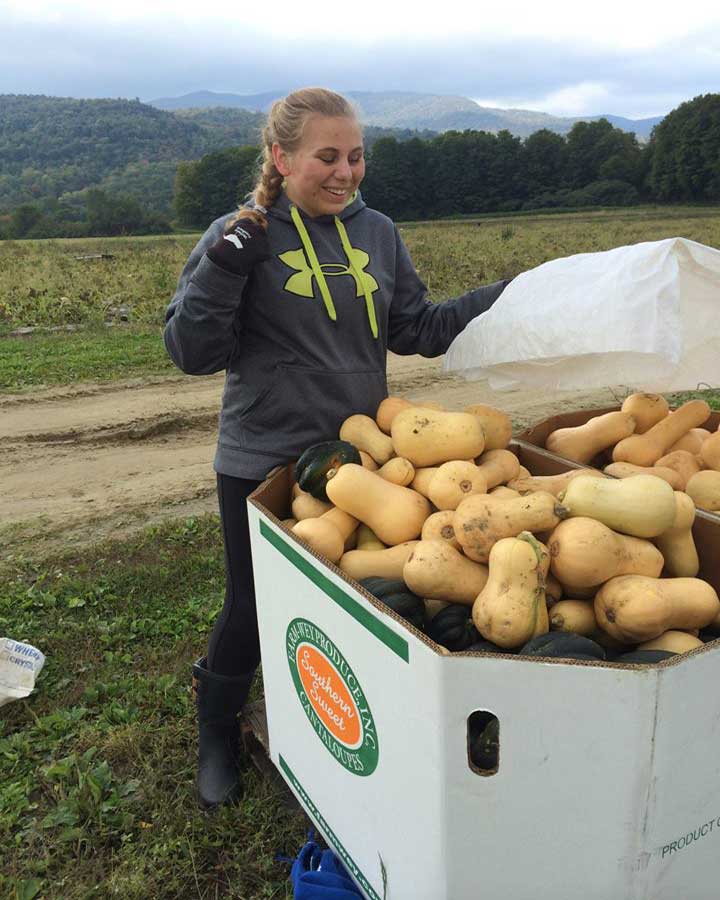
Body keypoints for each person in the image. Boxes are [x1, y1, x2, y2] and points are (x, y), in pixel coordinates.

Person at [163, 87, 510, 809]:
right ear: (281, 157)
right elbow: (190, 352)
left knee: (359, 602)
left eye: (355, 156)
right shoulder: (240, 234)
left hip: (364, 460)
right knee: (255, 607)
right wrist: (223, 267)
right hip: (265, 459)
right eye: (327, 156)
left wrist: (511, 294)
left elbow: (417, 327)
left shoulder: (377, 231)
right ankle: (217, 731)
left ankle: (332, 739)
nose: (344, 171)